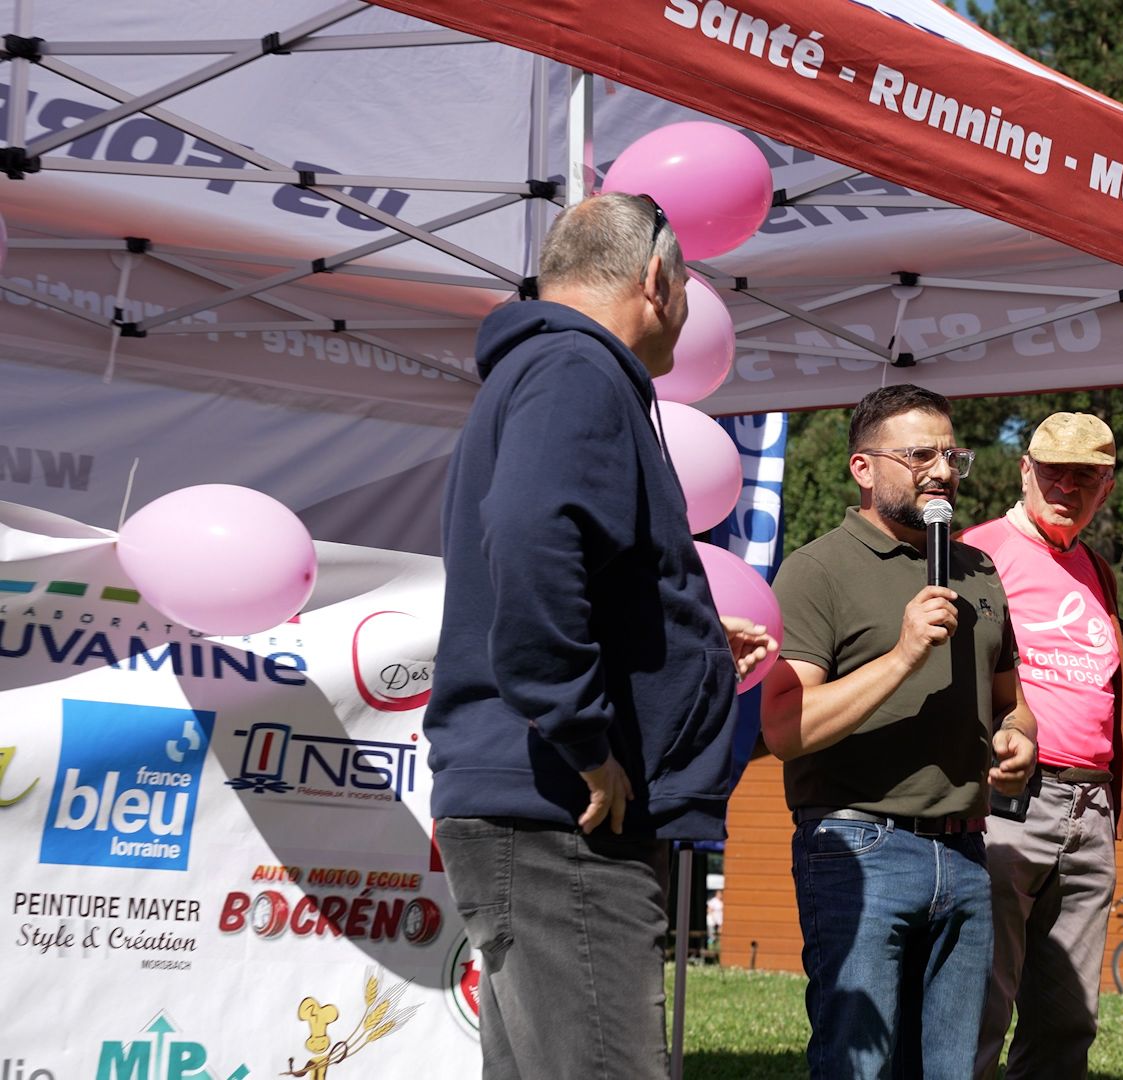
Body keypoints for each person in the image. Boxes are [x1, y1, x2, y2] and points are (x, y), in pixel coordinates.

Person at [426, 193, 774, 1080]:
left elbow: (561, 551)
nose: (688, 307)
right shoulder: (575, 369)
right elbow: (532, 537)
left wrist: (683, 638)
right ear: (658, 278)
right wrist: (582, 736)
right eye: (688, 286)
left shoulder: (550, 370)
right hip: (562, 814)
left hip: (544, 812)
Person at [761, 384, 1040, 1080]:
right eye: (919, 456)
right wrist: (902, 656)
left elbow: (1012, 703)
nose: (942, 472)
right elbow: (784, 727)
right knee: (859, 1066)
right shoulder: (816, 571)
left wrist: (1019, 738)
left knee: (953, 1070)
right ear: (863, 467)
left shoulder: (977, 570)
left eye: (951, 456)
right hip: (859, 848)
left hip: (967, 852)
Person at [959, 412, 1123, 1080]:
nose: (1067, 487)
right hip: (1005, 801)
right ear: (1024, 470)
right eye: (1054, 471)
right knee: (977, 1001)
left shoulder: (1098, 571)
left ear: (1105, 488)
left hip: (1091, 806)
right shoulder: (976, 553)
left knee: (1068, 1019)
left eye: (1085, 476)